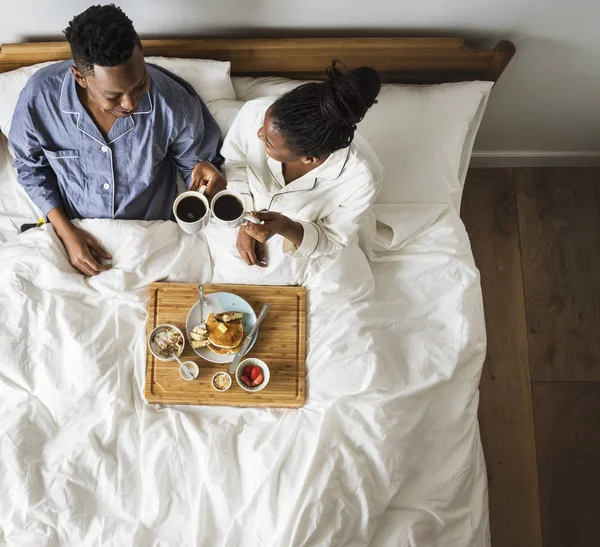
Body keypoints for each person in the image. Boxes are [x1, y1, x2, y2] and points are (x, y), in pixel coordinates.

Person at [9, 4, 226, 277]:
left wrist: (205, 175)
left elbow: (197, 169)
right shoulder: (39, 99)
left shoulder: (175, 102)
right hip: (70, 232)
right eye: (113, 96)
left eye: (139, 84)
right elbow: (30, 168)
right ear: (80, 77)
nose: (130, 103)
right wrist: (65, 232)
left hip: (150, 240)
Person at [221, 61, 383, 267]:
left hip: (301, 250)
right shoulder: (255, 111)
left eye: (268, 142)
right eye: (263, 127)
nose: (258, 134)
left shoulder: (362, 179)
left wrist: (285, 227)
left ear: (309, 159)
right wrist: (246, 220)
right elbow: (235, 161)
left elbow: (332, 239)